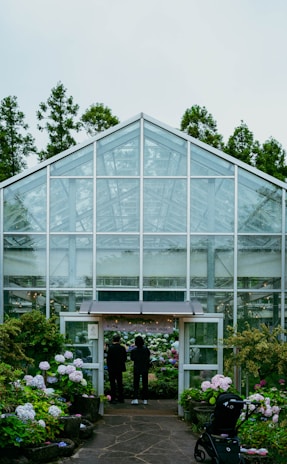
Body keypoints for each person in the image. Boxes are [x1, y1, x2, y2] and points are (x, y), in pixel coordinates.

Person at [107, 334, 127, 404]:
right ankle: (121, 398)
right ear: (119, 340)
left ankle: (113, 398)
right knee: (120, 383)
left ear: (113, 340)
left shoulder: (111, 348)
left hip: (112, 368)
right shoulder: (122, 348)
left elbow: (108, 359)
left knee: (112, 383)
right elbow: (125, 358)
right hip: (119, 368)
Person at [130, 335, 151, 405]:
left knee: (136, 383)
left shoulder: (134, 350)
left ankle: (135, 399)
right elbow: (148, 356)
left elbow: (132, 358)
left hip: (137, 368)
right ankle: (145, 399)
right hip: (144, 367)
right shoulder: (146, 349)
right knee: (145, 383)